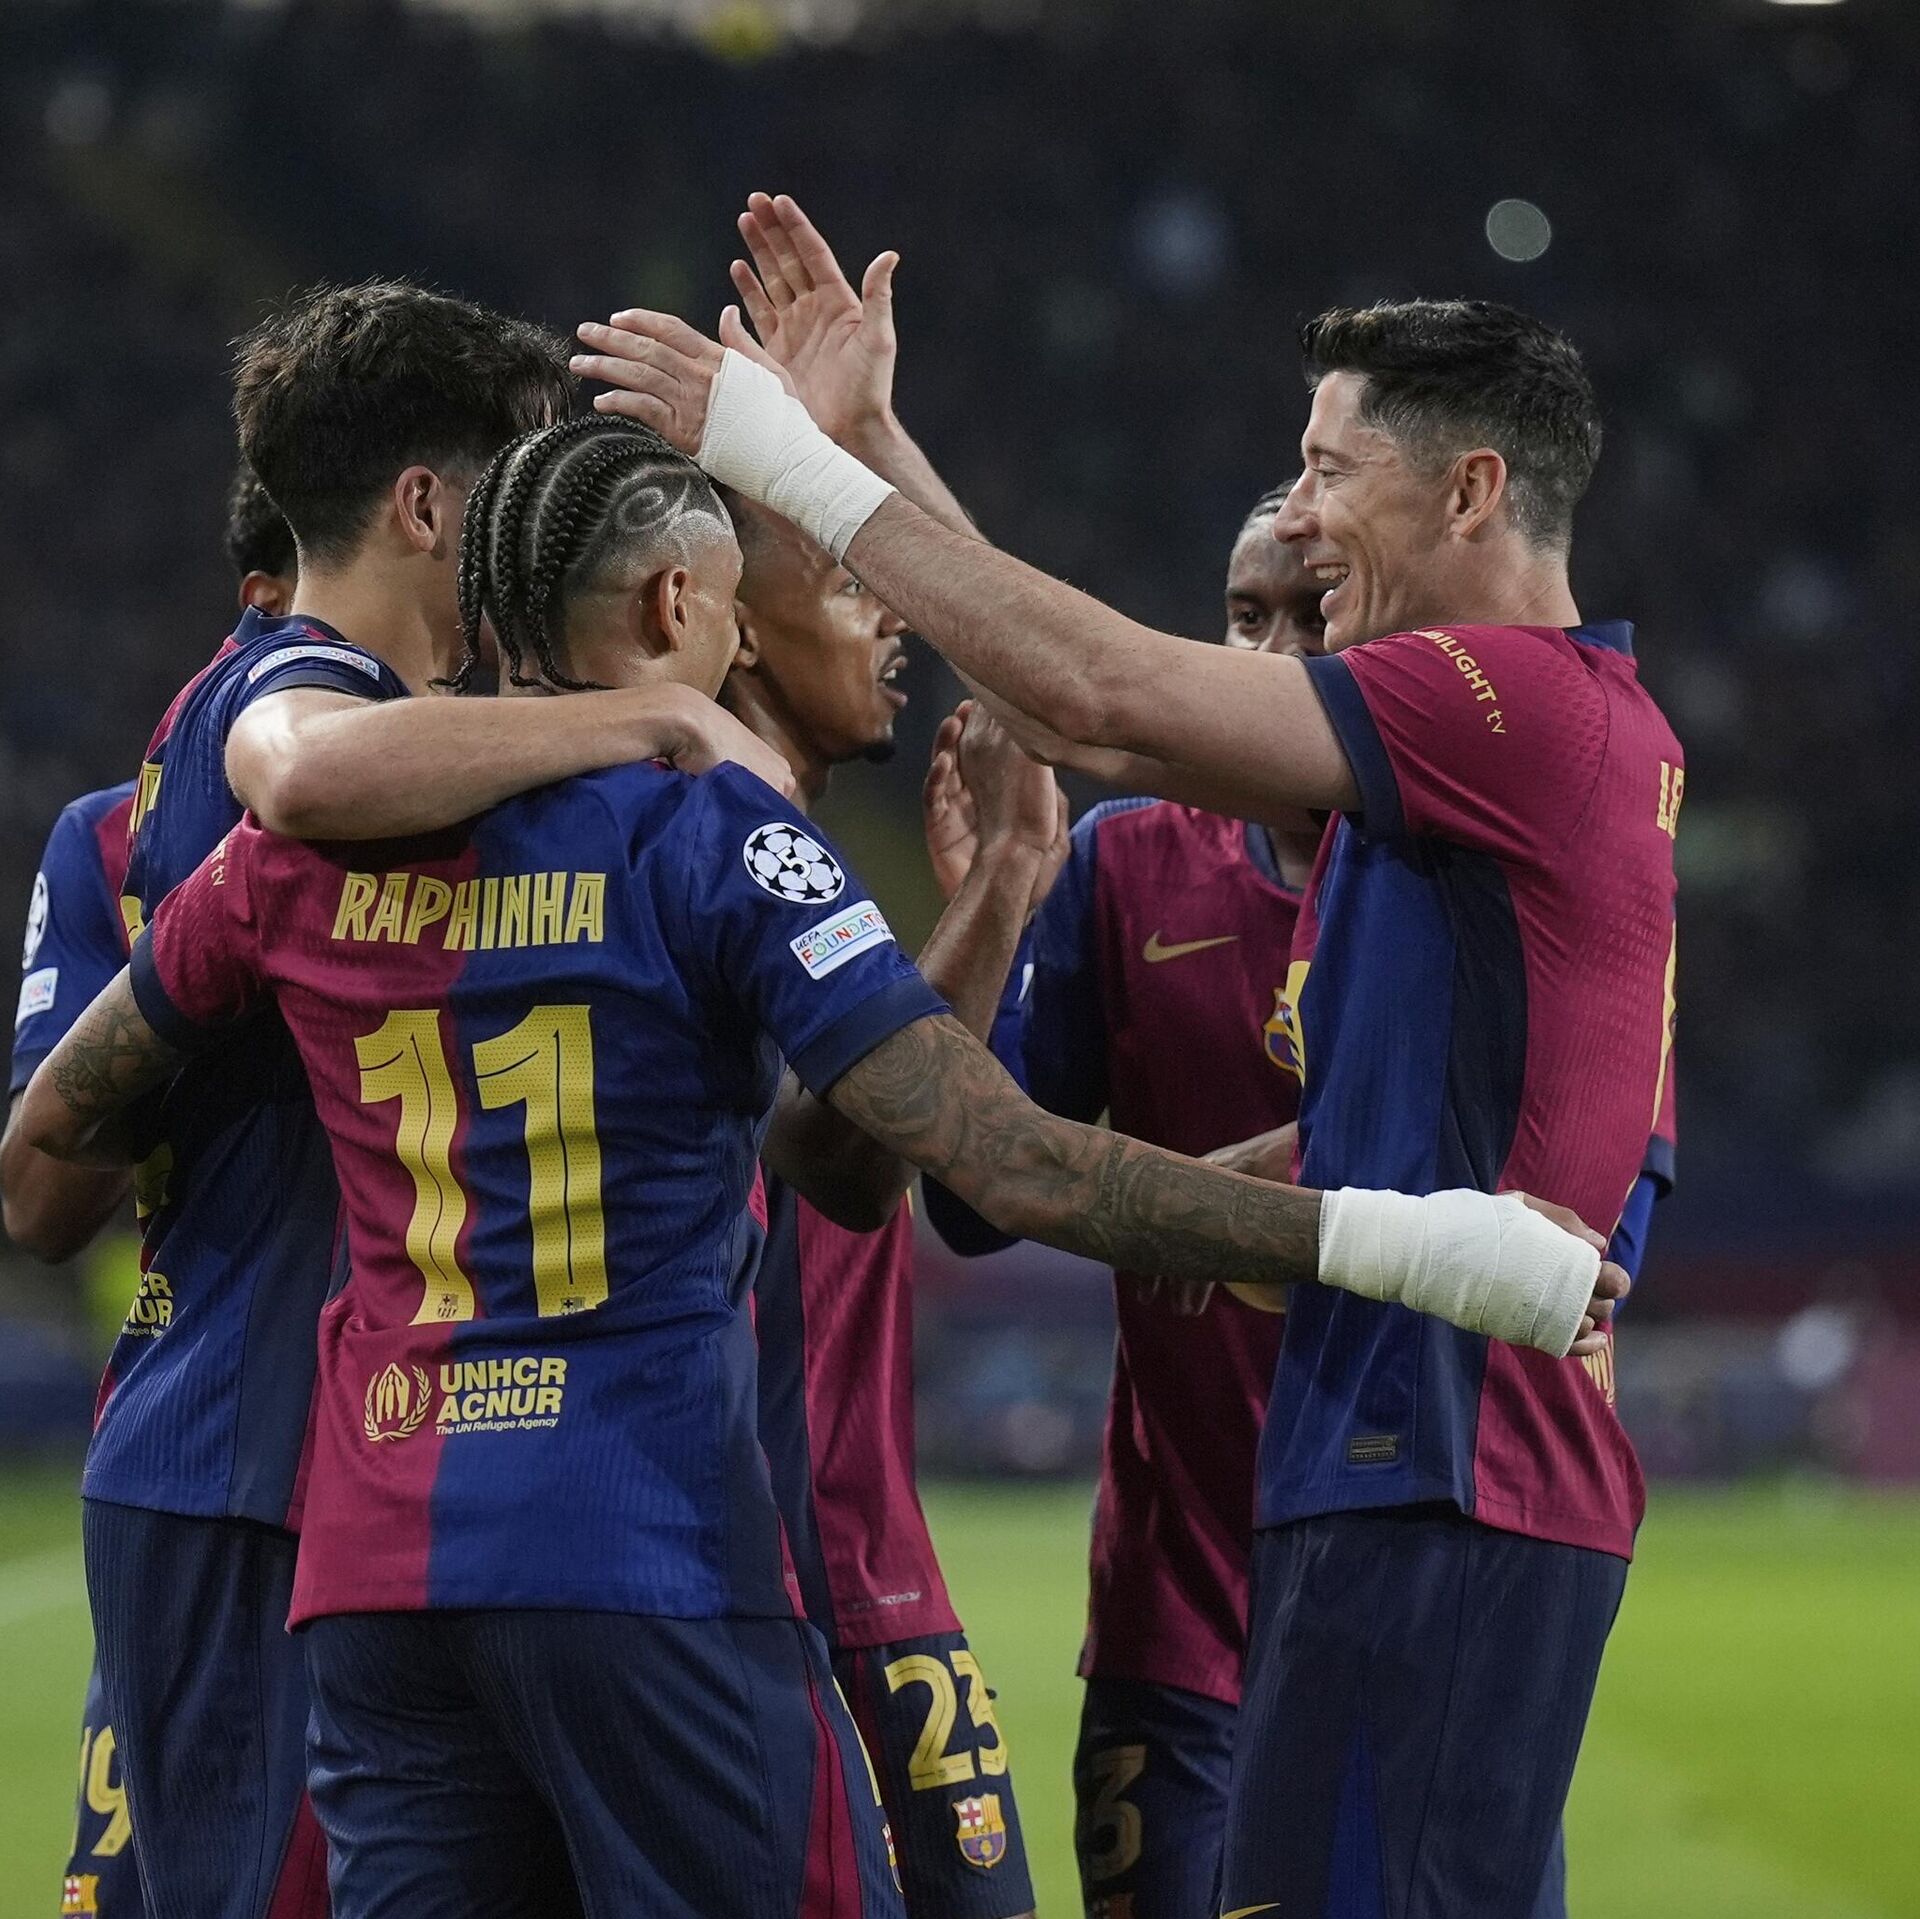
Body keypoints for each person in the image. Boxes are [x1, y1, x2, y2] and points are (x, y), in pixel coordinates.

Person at [22, 417, 1623, 1919]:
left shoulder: (285, 862)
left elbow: (48, 1138)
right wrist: (1410, 1243)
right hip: (643, 1550)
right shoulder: (708, 831)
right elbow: (1013, 1164)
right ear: (675, 603)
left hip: (374, 1581)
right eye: (728, 607)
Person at [574, 206, 1681, 1916]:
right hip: (1393, 1467)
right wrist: (873, 446)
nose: (1298, 515)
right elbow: (1082, 706)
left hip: (1454, 1464)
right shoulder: (1469, 761)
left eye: (1329, 471)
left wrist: (781, 460)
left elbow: (1101, 697)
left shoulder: (1505, 709)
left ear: (1471, 492)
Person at [86, 281, 789, 1919]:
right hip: (252, 1452)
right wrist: (654, 709)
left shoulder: (386, 744)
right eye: (514, 481)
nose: (541, 530)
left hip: (320, 1459)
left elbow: (59, 1157)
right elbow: (305, 774)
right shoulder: (295, 688)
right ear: (423, 507)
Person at [921, 483, 1325, 1919]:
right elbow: (972, 1204)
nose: (1271, 657)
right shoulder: (1129, 860)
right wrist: (990, 911)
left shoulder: (1453, 875)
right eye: (1243, 618)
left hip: (1400, 1598)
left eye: (1316, 615)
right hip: (1177, 1607)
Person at [725, 490, 1058, 1919]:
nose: (893, 619)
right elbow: (856, 1158)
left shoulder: (793, 859)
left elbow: (906, 1130)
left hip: (864, 1562)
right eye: (846, 582)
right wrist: (1009, 878)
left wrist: (986, 901)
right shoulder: (711, 854)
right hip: (782, 1578)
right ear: (729, 621)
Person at [0, 466, 301, 1919]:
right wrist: (197, 964)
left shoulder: (475, 813)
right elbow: (39, 1202)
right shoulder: (109, 844)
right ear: (262, 610)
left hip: (410, 1462)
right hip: (193, 1460)